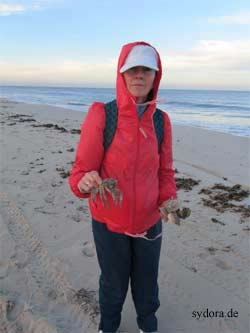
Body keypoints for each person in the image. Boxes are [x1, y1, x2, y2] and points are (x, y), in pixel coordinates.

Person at [69, 41, 178, 333]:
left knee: (146, 282)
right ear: (122, 73)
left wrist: (168, 200)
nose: (139, 75)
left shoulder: (161, 121)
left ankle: (147, 326)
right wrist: (84, 182)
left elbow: (165, 172)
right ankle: (108, 327)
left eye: (146, 70)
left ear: (156, 76)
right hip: (108, 221)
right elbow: (81, 171)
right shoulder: (103, 115)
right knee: (113, 283)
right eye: (132, 69)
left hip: (149, 221)